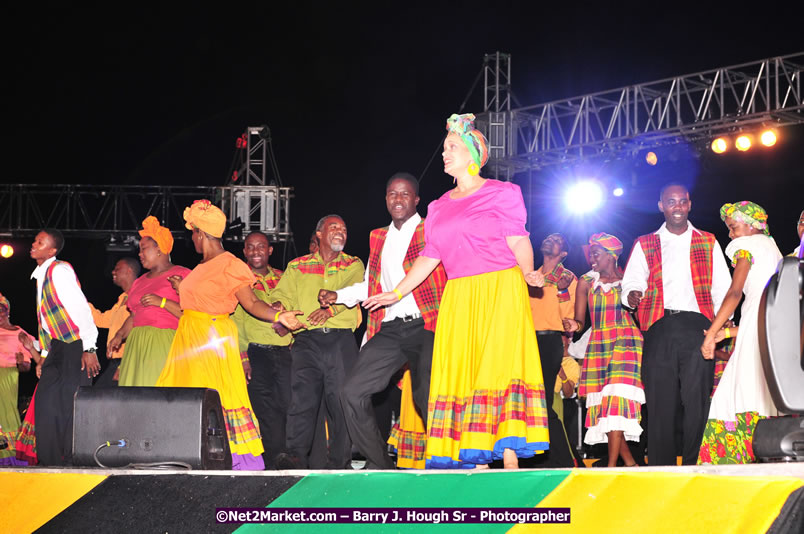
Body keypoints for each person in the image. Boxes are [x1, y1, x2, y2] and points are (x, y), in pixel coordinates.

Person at [364, 113, 549, 469]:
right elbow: (430, 257)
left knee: (497, 368)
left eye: (452, 147)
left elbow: (519, 239)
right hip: (459, 297)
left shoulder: (503, 193)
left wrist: (528, 271)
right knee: (463, 372)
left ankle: (508, 459)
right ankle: (475, 460)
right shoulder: (438, 207)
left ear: (473, 154)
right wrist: (396, 292)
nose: (445, 153)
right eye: (445, 147)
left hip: (500, 290)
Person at [155, 200, 304, 470]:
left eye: (193, 234)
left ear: (200, 233)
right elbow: (203, 299)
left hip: (211, 340)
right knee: (189, 396)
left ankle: (235, 460)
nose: (193, 239)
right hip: (189, 339)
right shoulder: (201, 266)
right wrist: (182, 289)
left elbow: (252, 303)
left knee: (217, 396)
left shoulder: (230, 264)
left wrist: (279, 315)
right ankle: (188, 454)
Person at [320, 172, 447, 469]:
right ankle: (380, 466)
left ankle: (447, 464)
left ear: (416, 199)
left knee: (426, 394)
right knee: (351, 391)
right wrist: (337, 295)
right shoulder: (378, 236)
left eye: (405, 194)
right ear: (386, 199)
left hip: (426, 323)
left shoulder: (431, 230)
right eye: (392, 193)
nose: (398, 199)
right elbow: (372, 283)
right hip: (391, 327)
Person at [621, 183, 731, 465]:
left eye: (683, 201)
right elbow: (632, 279)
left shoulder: (707, 241)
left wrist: (722, 325)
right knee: (660, 403)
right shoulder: (645, 242)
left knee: (696, 402)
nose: (678, 207)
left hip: (699, 328)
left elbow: (722, 287)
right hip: (660, 326)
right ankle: (661, 467)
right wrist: (632, 294)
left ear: (690, 205)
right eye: (671, 201)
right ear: (661, 206)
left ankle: (696, 465)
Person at [271, 214, 365, 469]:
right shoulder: (297, 265)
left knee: (340, 403)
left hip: (340, 341)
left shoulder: (353, 264)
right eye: (334, 227)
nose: (341, 232)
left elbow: (353, 293)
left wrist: (330, 310)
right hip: (306, 342)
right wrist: (279, 308)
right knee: (302, 401)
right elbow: (282, 296)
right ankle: (295, 459)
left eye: (344, 229)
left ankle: (339, 465)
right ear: (319, 234)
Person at [698, 201, 782, 464]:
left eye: (733, 228)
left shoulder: (746, 247)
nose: (731, 235)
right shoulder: (775, 251)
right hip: (770, 332)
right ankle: (766, 455)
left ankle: (730, 462)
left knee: (734, 396)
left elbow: (735, 293)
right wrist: (729, 333)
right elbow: (762, 311)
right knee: (761, 395)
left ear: (752, 224)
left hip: (755, 336)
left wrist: (712, 332)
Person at [565, 233, 645, 467]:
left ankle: (611, 467)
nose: (592, 259)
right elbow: (581, 321)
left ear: (611, 256)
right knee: (607, 406)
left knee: (617, 399)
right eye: (591, 255)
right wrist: (574, 325)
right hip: (599, 343)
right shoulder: (586, 282)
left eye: (596, 254)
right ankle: (630, 464)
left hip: (627, 342)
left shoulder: (630, 281)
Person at [29, 228, 100, 465]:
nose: (33, 244)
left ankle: (72, 464)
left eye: (40, 242)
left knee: (72, 408)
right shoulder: (41, 276)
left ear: (51, 250)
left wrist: (89, 348)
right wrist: (44, 356)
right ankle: (49, 464)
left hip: (75, 346)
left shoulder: (59, 270)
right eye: (35, 240)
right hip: (57, 348)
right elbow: (48, 323)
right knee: (46, 404)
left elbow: (80, 309)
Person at [231, 231, 292, 469]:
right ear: (244, 251)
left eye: (261, 247)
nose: (256, 251)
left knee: (290, 406)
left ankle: (291, 460)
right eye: (250, 247)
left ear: (270, 251)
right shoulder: (240, 283)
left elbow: (297, 311)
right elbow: (236, 324)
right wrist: (244, 358)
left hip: (286, 353)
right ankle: (271, 463)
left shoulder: (284, 277)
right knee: (264, 411)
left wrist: (289, 331)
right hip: (255, 354)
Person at [109, 217, 189, 387]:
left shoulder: (183, 274)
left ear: (159, 249)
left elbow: (193, 314)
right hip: (136, 343)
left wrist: (162, 302)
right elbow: (134, 315)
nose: (140, 254)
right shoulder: (140, 281)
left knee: (157, 393)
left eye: (144, 249)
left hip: (164, 341)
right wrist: (120, 335)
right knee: (134, 396)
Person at [529, 232, 577, 467]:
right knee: (528, 402)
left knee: (543, 403)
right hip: (526, 342)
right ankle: (539, 459)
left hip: (549, 343)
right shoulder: (531, 276)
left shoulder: (567, 278)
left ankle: (562, 460)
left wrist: (561, 291)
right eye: (547, 238)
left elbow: (567, 320)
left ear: (564, 253)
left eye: (557, 240)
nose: (549, 240)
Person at [89, 257, 139, 387]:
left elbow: (138, 330)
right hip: (116, 361)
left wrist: (124, 365)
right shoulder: (123, 298)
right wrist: (81, 302)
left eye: (117, 269)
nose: (113, 272)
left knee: (101, 398)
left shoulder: (139, 294)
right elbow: (101, 320)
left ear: (129, 271)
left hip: (128, 361)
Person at [0, 294, 37, 465]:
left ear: (7, 312)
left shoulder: (19, 333)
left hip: (7, 377)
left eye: (1, 310)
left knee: (7, 413)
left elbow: (27, 366)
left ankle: (12, 456)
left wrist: (21, 362)